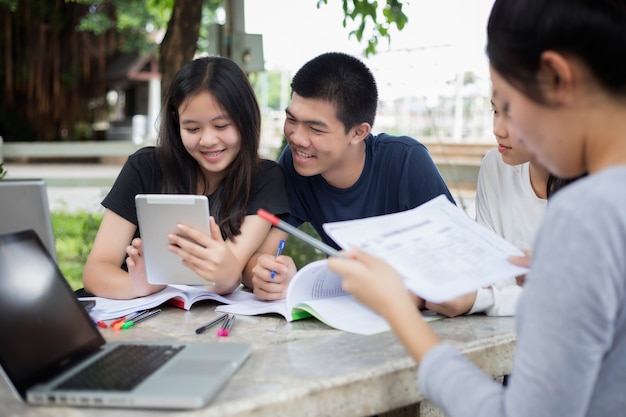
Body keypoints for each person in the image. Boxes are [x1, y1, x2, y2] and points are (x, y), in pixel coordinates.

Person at [328, 0, 626, 415]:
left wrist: (398, 310)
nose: (502, 126)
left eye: (507, 104)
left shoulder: (585, 214)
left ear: (556, 77)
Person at [250, 51, 454, 300]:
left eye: (315, 128)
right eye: (291, 119)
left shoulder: (406, 161)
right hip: (348, 313)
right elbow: (258, 256)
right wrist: (268, 275)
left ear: (358, 132)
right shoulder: (297, 164)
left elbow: (459, 261)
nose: (296, 138)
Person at [83, 56, 289, 299]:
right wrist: (138, 286)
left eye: (221, 126)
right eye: (192, 129)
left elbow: (229, 275)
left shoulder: (264, 179)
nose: (208, 140)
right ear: (175, 121)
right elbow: (96, 271)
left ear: (245, 120)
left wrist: (228, 268)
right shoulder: (145, 168)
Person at [426, 98, 579, 318]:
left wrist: (484, 301)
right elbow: (491, 272)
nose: (497, 129)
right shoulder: (495, 166)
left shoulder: (597, 188)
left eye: (513, 116)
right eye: (495, 111)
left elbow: (581, 297)